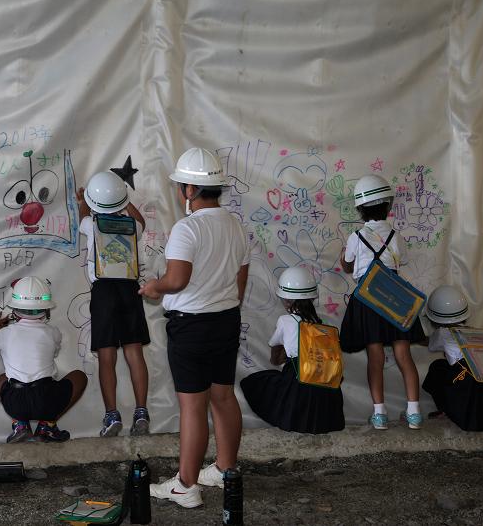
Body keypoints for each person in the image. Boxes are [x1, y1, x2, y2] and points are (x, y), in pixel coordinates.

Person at [139, 148, 249, 509]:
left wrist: (155, 287)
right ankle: (225, 468)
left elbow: (177, 279)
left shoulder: (187, 229)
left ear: (189, 190)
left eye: (180, 186)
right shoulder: (234, 224)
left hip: (191, 328)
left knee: (192, 407)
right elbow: (240, 278)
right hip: (225, 320)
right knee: (222, 395)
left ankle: (186, 485)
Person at [339, 174, 425, 431]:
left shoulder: (356, 236)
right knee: (403, 354)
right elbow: (402, 262)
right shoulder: (396, 235)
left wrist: (343, 259)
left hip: (369, 299)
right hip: (396, 297)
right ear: (387, 206)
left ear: (360, 209)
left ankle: (379, 415)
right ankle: (414, 412)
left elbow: (348, 266)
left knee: (375, 356)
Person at [76, 171, 151, 437]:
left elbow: (83, 214)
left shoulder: (90, 226)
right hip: (130, 290)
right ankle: (141, 411)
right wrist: (124, 201)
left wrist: (81, 199)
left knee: (106, 358)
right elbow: (141, 220)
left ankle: (111, 416)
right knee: (134, 353)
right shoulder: (133, 226)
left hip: (104, 292)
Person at [0, 276, 87, 443]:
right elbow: (54, 351)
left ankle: (20, 424)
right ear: (46, 310)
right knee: (80, 376)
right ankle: (47, 426)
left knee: (1, 379)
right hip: (45, 399)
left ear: (14, 310)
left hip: (15, 402)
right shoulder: (53, 332)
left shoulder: (4, 334)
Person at [240, 266, 345, 434]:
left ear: (287, 301)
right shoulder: (323, 324)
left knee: (258, 382)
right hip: (328, 392)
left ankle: (291, 419)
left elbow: (275, 359)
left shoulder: (284, 320)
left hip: (299, 387)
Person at [422, 285, 483, 431]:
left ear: (433, 318)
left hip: (469, 384)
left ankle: (446, 410)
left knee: (437, 368)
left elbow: (430, 344)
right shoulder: (477, 332)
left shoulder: (441, 333)